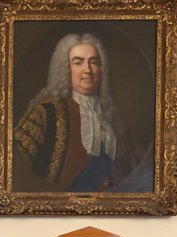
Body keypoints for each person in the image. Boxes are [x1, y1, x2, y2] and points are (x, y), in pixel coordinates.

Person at [12, 32, 148, 192]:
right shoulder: (44, 113)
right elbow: (15, 167)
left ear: (101, 69)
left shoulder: (113, 116)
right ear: (65, 69)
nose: (87, 70)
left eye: (94, 62)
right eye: (78, 63)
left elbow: (135, 172)